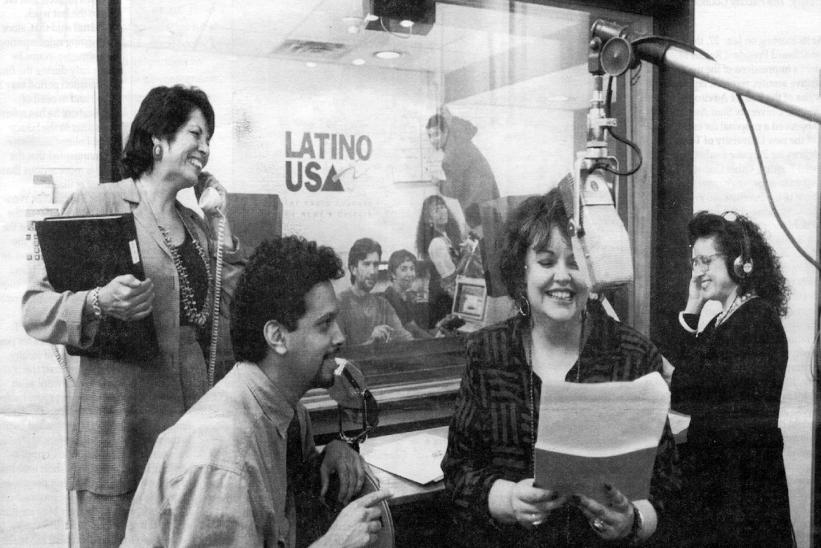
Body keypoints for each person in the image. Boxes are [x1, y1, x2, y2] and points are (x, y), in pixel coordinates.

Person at [21, 85, 245, 547]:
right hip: (119, 429)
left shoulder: (198, 225)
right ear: (158, 139)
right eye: (196, 134)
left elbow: (232, 305)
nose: (205, 149)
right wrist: (99, 301)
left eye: (209, 139)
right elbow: (35, 309)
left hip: (188, 424)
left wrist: (222, 220)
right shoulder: (95, 204)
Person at [441, 189, 679, 547]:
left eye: (576, 262)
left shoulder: (633, 356)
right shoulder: (488, 352)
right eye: (547, 261)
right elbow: (459, 472)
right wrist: (509, 499)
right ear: (522, 270)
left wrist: (631, 520)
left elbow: (667, 484)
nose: (563, 276)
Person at [121, 236, 391, 547]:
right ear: (277, 336)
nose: (339, 336)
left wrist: (329, 454)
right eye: (325, 323)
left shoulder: (285, 413)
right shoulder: (220, 459)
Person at [665, 211, 793, 546]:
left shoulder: (758, 319)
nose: (698, 271)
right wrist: (693, 303)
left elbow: (737, 418)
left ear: (741, 263)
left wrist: (683, 420)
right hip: (719, 481)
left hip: (745, 489)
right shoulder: (720, 321)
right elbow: (683, 382)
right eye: (694, 262)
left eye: (706, 260)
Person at [426, 111, 499, 228]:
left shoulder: (450, 157)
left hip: (476, 206)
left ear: (445, 132)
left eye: (436, 134)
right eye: (429, 135)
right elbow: (470, 127)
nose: (432, 140)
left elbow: (454, 190)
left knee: (481, 241)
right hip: (492, 199)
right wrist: (452, 118)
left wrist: (438, 183)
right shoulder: (460, 139)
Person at [337, 238, 412, 346]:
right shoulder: (340, 304)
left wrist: (432, 342)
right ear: (353, 269)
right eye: (366, 264)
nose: (372, 271)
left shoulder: (383, 305)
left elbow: (406, 339)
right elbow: (338, 357)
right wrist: (370, 341)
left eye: (376, 265)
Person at [416, 195, 476, 327]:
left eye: (443, 207)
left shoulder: (447, 237)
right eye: (436, 210)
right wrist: (466, 256)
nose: (442, 211)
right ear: (428, 219)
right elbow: (449, 278)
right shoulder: (436, 243)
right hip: (443, 304)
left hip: (451, 298)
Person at [382, 249, 433, 339]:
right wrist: (434, 340)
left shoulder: (406, 296)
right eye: (404, 269)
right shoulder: (390, 297)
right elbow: (411, 329)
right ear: (393, 274)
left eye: (412, 269)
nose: (410, 274)